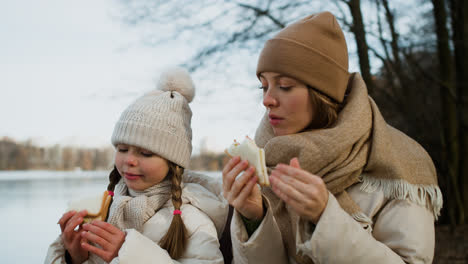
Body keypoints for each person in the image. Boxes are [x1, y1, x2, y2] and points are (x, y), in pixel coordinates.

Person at [222, 11, 442, 264]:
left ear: (322, 91)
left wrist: (325, 218)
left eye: (284, 85)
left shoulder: (399, 161)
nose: (267, 100)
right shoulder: (267, 160)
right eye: (264, 86)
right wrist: (254, 218)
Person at [45, 67, 228, 264]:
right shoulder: (104, 211)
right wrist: (74, 258)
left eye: (146, 153)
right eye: (122, 149)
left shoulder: (193, 222)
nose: (129, 160)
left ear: (173, 162)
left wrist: (129, 255)